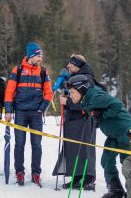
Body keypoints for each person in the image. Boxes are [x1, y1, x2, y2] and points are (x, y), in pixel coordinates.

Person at [66, 74, 131, 198]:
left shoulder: (95, 97)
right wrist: (97, 119)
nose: (70, 96)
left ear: (81, 89)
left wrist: (101, 115)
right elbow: (98, 114)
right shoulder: (87, 99)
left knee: (126, 163)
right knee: (107, 161)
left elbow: (117, 105)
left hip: (125, 131)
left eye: (72, 92)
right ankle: (116, 190)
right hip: (113, 134)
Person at [4, 42, 53, 186]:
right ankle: (19, 172)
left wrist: (41, 109)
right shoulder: (18, 70)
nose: (40, 58)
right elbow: (9, 91)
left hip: (36, 114)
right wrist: (8, 110)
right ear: (31, 56)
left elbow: (49, 94)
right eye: (38, 56)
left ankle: (36, 173)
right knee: (19, 144)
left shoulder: (43, 72)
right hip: (20, 113)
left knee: (37, 145)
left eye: (41, 56)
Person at [52, 55, 98, 191]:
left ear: (77, 65)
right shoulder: (78, 76)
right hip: (74, 119)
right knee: (74, 149)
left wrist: (67, 102)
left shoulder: (87, 78)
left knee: (85, 149)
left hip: (83, 119)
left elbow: (87, 103)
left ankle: (88, 179)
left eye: (70, 64)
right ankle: (77, 178)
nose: (68, 66)